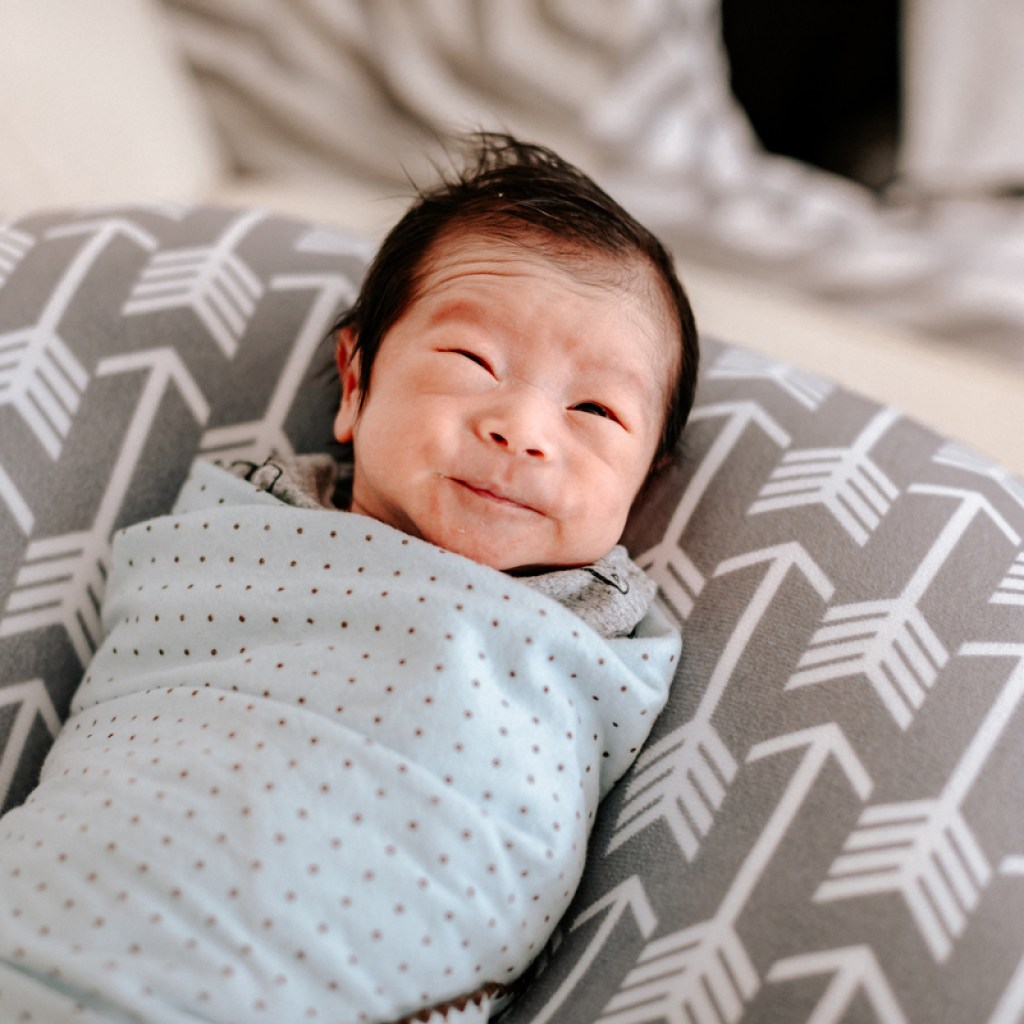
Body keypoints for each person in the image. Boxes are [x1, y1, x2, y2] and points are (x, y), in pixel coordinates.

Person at [0, 134, 698, 1024]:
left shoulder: (597, 642)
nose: (523, 427)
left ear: (646, 483)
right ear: (356, 381)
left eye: (595, 410)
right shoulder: (237, 535)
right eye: (471, 362)